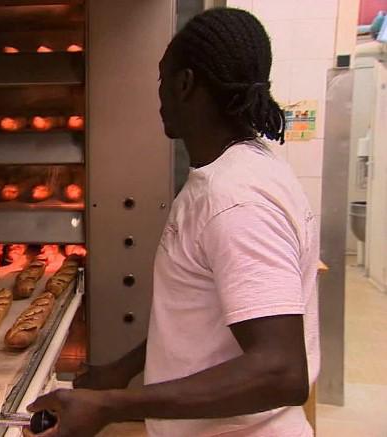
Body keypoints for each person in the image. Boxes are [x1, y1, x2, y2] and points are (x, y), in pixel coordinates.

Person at [26, 7, 320, 437]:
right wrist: (123, 371)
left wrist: (110, 407)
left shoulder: (236, 200)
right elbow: (199, 322)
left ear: (185, 84)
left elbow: (281, 372)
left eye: (162, 79)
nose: (159, 94)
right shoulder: (230, 173)